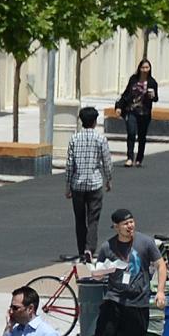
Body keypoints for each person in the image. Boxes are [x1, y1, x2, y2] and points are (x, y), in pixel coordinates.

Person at [81, 208, 165, 336]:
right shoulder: (107, 247)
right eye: (126, 224)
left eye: (132, 222)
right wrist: (97, 274)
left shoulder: (145, 242)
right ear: (116, 227)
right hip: (114, 300)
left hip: (138, 303)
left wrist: (160, 291)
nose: (130, 226)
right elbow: (99, 270)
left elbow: (160, 264)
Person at [65, 103, 115, 262]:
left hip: (77, 184)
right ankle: (89, 249)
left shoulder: (74, 138)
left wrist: (67, 185)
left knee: (79, 219)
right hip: (94, 183)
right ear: (94, 122)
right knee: (93, 219)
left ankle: (81, 250)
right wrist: (109, 179)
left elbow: (69, 164)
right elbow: (106, 161)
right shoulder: (100, 139)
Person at [116, 58, 160, 166]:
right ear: (139, 68)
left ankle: (139, 159)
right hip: (131, 110)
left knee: (141, 136)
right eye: (143, 67)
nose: (145, 69)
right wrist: (119, 106)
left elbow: (156, 99)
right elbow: (126, 94)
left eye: (147, 67)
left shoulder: (152, 82)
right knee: (131, 133)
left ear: (150, 69)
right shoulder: (133, 79)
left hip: (144, 113)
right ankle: (130, 158)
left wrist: (152, 96)